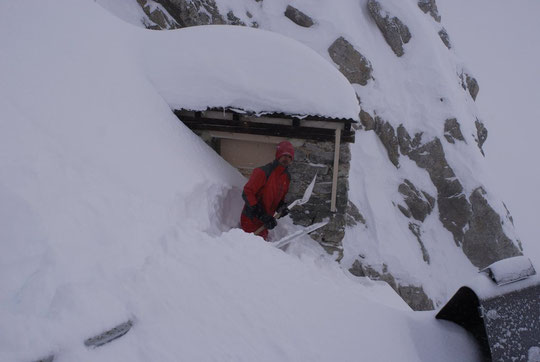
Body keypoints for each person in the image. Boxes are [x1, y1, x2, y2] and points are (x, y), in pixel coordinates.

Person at [240, 141, 294, 240]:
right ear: (278, 155)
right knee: (247, 250)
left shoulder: (286, 177)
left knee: (261, 250)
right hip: (251, 220)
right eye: (284, 155)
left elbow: (279, 198)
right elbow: (247, 192)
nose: (286, 159)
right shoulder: (263, 172)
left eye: (289, 157)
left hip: (264, 223)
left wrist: (281, 207)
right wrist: (261, 214)